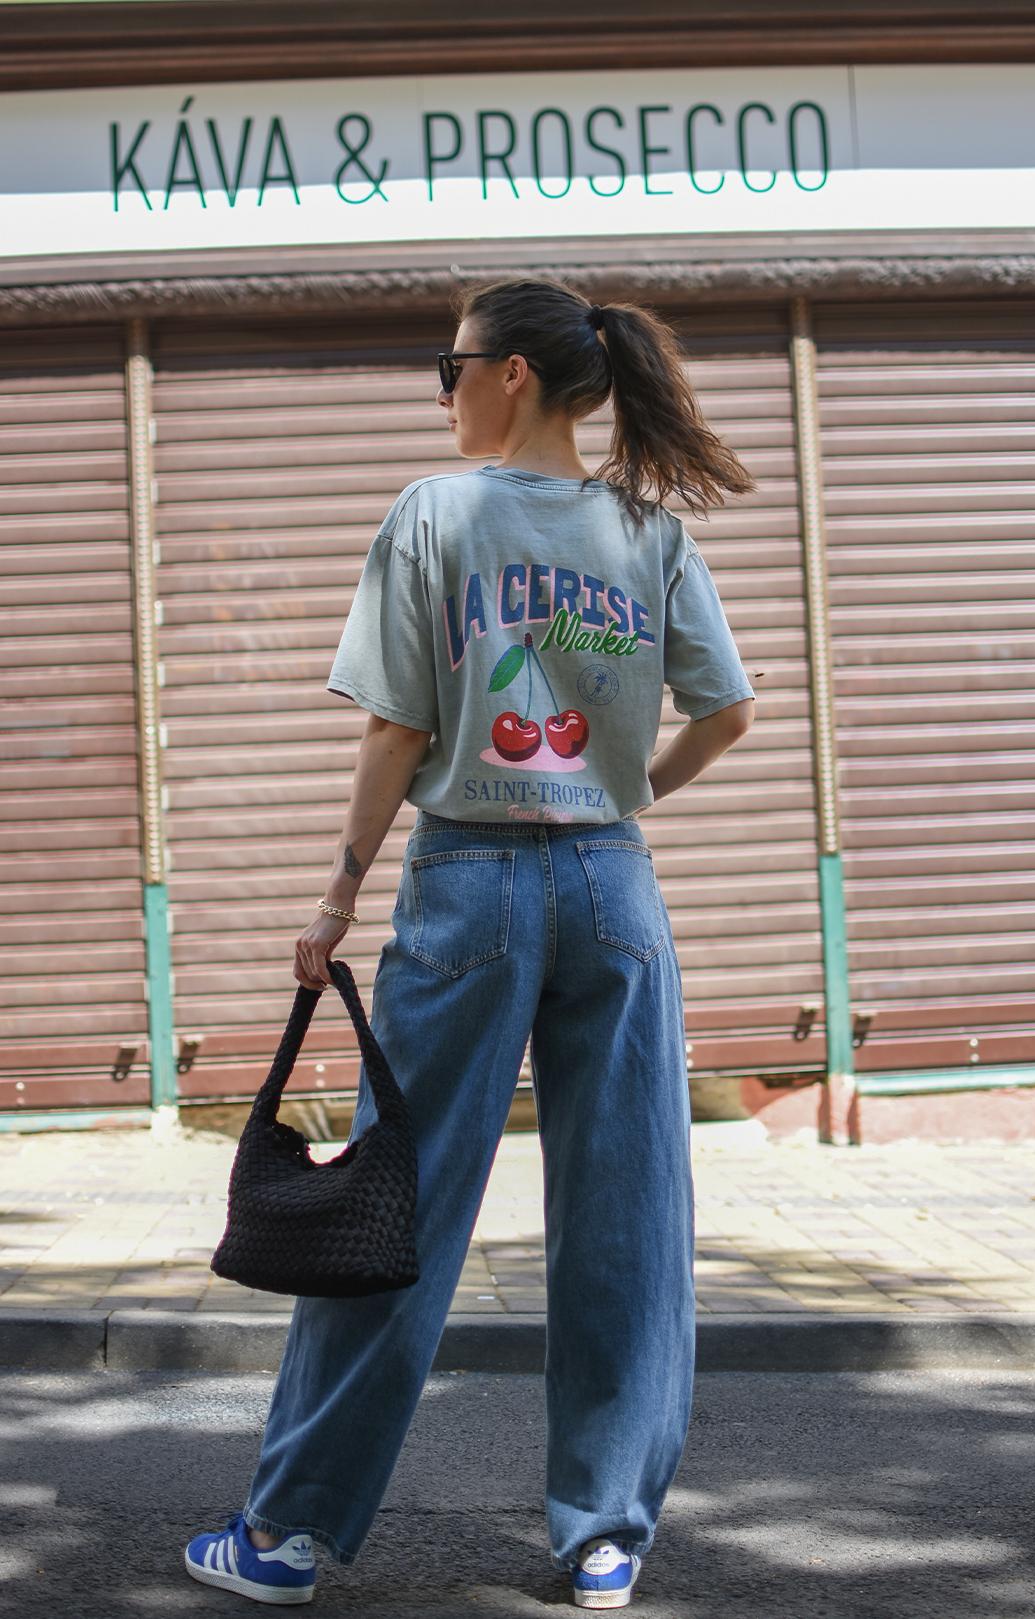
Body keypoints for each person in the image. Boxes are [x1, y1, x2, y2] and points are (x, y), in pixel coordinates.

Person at [184, 275, 757, 1610]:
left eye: (449, 368)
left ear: (510, 375)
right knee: (628, 1212)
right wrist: (621, 796)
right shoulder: (647, 530)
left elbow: (396, 727)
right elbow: (728, 712)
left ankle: (287, 1537)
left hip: (469, 885)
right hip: (613, 889)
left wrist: (337, 896)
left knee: (403, 1203)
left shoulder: (434, 514)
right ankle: (606, 1538)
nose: (439, 392)